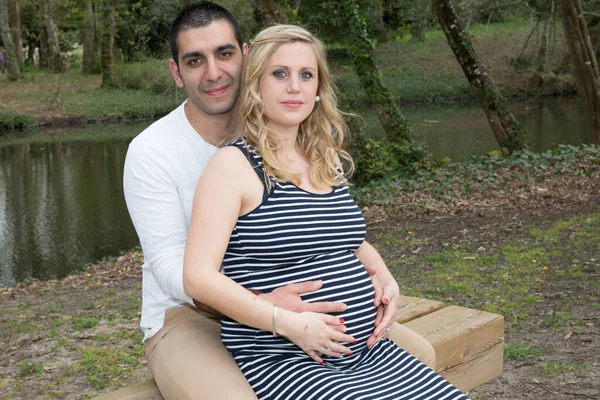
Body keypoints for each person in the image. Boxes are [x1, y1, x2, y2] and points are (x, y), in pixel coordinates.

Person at [124, 2, 434, 399]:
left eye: (224, 53)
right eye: (195, 61)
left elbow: (324, 223)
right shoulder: (153, 151)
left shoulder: (283, 128)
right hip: (189, 315)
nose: (214, 72)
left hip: (299, 312)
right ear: (176, 72)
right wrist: (268, 309)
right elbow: (175, 268)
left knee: (421, 353)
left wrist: (379, 271)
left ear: (247, 54)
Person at [182, 24, 468, 400]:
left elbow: (343, 237)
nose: (294, 87)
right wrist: (287, 323)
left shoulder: (322, 156)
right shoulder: (233, 165)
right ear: (256, 83)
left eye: (306, 75)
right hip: (287, 355)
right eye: (280, 74)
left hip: (366, 353)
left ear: (319, 89)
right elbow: (198, 277)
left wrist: (383, 276)